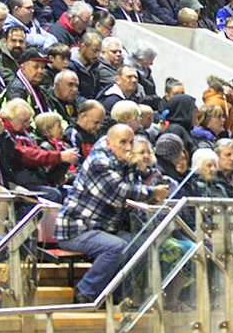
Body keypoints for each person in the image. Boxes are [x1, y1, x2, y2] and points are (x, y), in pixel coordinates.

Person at [56, 123, 167, 303]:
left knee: (144, 244)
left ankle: (118, 293)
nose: (128, 147)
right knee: (116, 246)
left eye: (131, 142)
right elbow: (120, 192)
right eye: (123, 142)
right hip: (77, 229)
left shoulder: (125, 162)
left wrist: (139, 169)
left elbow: (134, 195)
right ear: (109, 143)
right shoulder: (99, 162)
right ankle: (85, 292)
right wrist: (153, 192)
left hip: (106, 228)